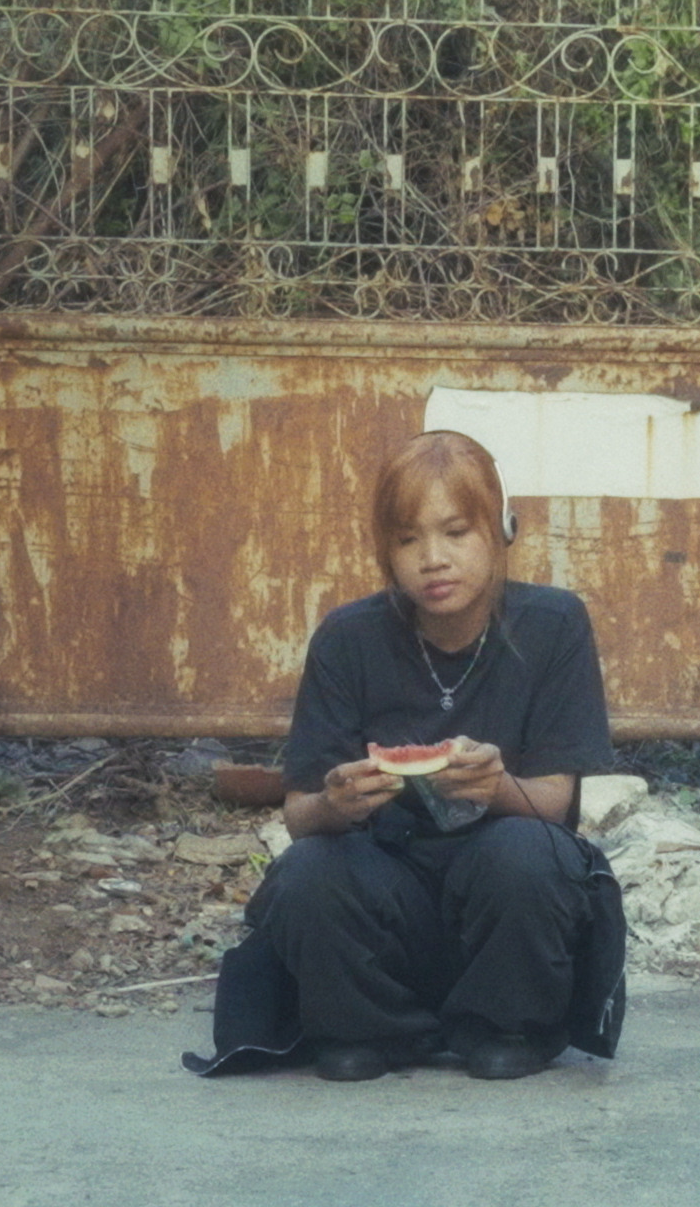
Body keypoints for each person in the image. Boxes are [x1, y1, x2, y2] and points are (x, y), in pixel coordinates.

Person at [192, 431, 627, 1083]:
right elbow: (300, 817)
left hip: (506, 915)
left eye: (456, 532)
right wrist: (336, 802)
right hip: (387, 907)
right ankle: (368, 1030)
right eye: (406, 540)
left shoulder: (555, 624)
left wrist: (495, 786)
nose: (433, 559)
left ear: (500, 529)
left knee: (529, 855)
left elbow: (554, 804)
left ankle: (508, 1026)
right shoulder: (348, 637)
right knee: (310, 871)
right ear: (384, 551)